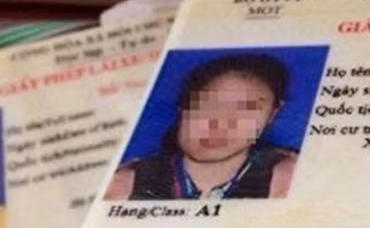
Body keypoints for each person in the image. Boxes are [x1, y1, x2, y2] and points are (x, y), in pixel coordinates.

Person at [105, 53, 297, 200]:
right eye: (210, 104)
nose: (220, 122)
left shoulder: (289, 180)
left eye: (247, 109)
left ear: (272, 115)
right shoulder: (123, 185)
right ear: (184, 105)